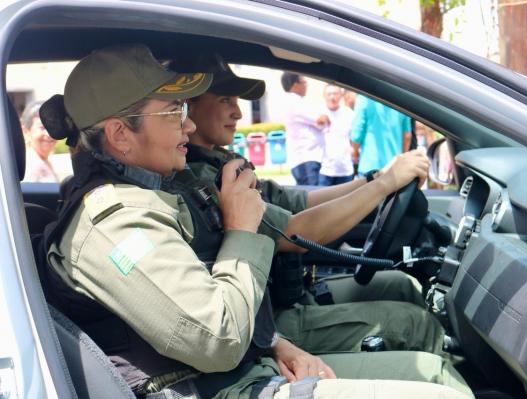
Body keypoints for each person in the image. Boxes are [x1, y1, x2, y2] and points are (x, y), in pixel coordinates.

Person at [41, 44, 473, 399]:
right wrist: (241, 230)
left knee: (433, 375)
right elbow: (215, 338)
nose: (188, 125)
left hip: (245, 367)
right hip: (219, 385)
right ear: (120, 135)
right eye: (173, 112)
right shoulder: (113, 225)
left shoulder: (159, 192)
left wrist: (271, 343)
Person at [170, 57, 441, 353]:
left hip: (285, 299)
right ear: (189, 107)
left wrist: (375, 178)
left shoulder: (220, 163)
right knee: (417, 324)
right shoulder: (205, 182)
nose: (237, 112)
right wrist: (384, 185)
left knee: (403, 285)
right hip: (272, 326)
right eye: (225, 100)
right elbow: (298, 232)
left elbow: (301, 201)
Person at [280, 72, 329, 185]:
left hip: (306, 158)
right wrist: (324, 117)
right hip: (306, 159)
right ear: (295, 84)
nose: (306, 85)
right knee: (313, 198)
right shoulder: (295, 101)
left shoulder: (294, 101)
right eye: (304, 82)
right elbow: (320, 120)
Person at [351, 94, 412, 176]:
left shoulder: (364, 98)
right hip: (394, 169)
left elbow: (356, 134)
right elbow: (407, 136)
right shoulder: (402, 101)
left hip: (369, 167)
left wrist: (355, 153)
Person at [318, 84, 355, 186]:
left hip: (345, 170)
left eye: (335, 93)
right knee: (322, 201)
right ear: (324, 96)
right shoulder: (318, 113)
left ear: (341, 95)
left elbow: (354, 138)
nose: (332, 97)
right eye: (329, 94)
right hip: (325, 170)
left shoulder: (349, 114)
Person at [21, 100, 59, 182]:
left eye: (53, 127)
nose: (49, 134)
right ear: (26, 131)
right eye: (42, 128)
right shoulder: (30, 167)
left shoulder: (43, 161)